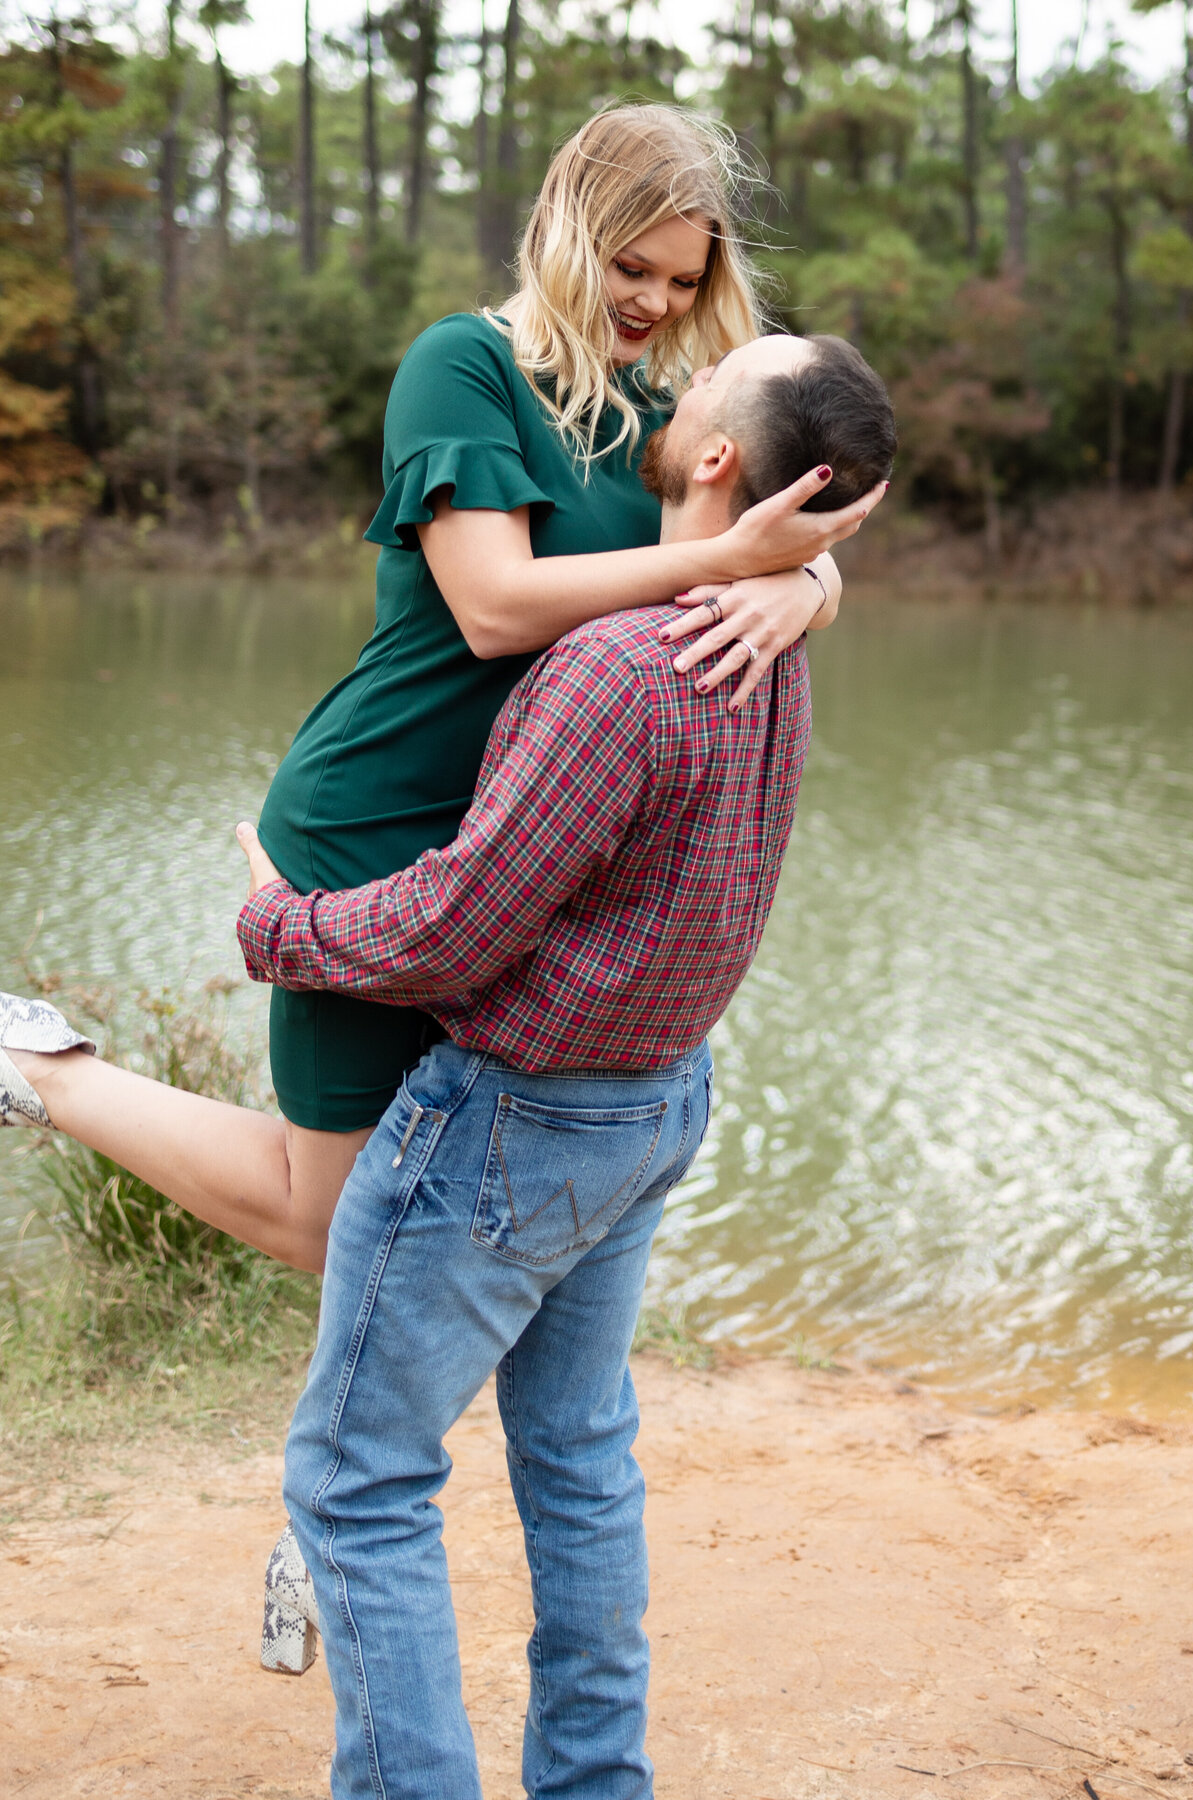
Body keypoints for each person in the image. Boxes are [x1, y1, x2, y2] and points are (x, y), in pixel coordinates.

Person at [0, 105, 884, 1272]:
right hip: (375, 822)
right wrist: (734, 567)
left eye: (681, 278)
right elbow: (494, 606)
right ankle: (37, 1070)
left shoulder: (664, 419)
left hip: (515, 865)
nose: (656, 302)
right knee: (331, 1223)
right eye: (632, 266)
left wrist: (810, 582)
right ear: (567, 226)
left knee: (435, 1198)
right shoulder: (463, 367)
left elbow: (776, 500)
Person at [225, 328, 896, 1799]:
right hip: (654, 1107)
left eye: (721, 372)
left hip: (517, 1128)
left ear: (717, 456)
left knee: (357, 1484)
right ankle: (597, 1782)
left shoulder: (617, 668)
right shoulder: (760, 644)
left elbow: (451, 930)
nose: (687, 367)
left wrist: (278, 921)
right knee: (580, 1458)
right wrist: (807, 575)